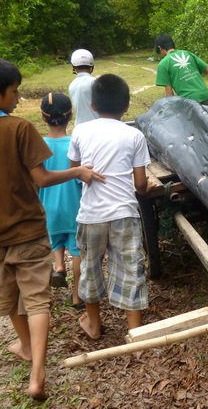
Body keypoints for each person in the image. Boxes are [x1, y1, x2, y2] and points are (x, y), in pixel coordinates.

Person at [0, 55, 105, 399]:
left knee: (8, 295)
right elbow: (42, 178)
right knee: (36, 301)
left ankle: (27, 348)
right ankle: (37, 373)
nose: (18, 98)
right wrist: (77, 172)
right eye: (15, 91)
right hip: (30, 230)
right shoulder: (19, 128)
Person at [68, 73, 155, 340]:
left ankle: (94, 326)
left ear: (92, 105)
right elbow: (139, 183)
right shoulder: (134, 135)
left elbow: (75, 171)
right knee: (131, 268)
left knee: (90, 269)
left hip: (91, 215)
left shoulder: (80, 130)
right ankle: (135, 331)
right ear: (127, 107)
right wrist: (144, 188)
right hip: (124, 214)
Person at [38, 92, 84, 308]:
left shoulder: (37, 145)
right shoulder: (76, 144)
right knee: (77, 251)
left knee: (56, 239)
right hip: (74, 206)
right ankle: (76, 295)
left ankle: (58, 266)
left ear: (43, 117)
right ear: (70, 115)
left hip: (48, 208)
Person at [154, 34, 208, 108]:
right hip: (205, 96)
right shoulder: (187, 53)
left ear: (159, 48)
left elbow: (169, 94)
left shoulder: (163, 64)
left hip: (189, 102)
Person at [68, 49, 99, 125]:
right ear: (92, 65)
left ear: (73, 66)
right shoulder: (96, 82)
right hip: (97, 125)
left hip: (80, 127)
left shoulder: (72, 85)